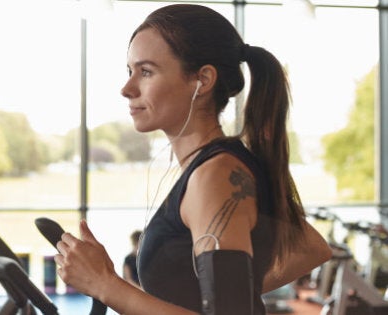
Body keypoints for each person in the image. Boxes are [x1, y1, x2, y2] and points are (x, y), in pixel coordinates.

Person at [53, 4, 333, 315]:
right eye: (130, 71)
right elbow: (310, 247)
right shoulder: (217, 167)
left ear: (202, 80)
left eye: (146, 72)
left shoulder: (216, 175)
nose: (127, 88)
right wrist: (216, 294)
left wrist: (105, 285)